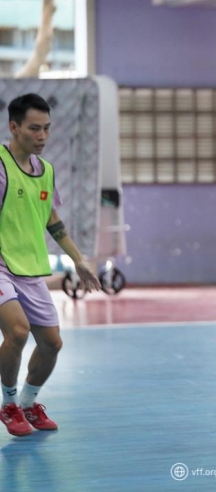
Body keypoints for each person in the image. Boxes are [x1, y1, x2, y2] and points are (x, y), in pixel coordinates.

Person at [0, 93, 101, 437]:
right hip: (0, 266)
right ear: (14, 127)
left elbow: (52, 220)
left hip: (29, 268)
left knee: (52, 344)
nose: (42, 135)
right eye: (34, 128)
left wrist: (78, 259)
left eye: (46, 128)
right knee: (17, 331)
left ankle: (28, 403)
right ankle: (9, 404)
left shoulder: (46, 172)